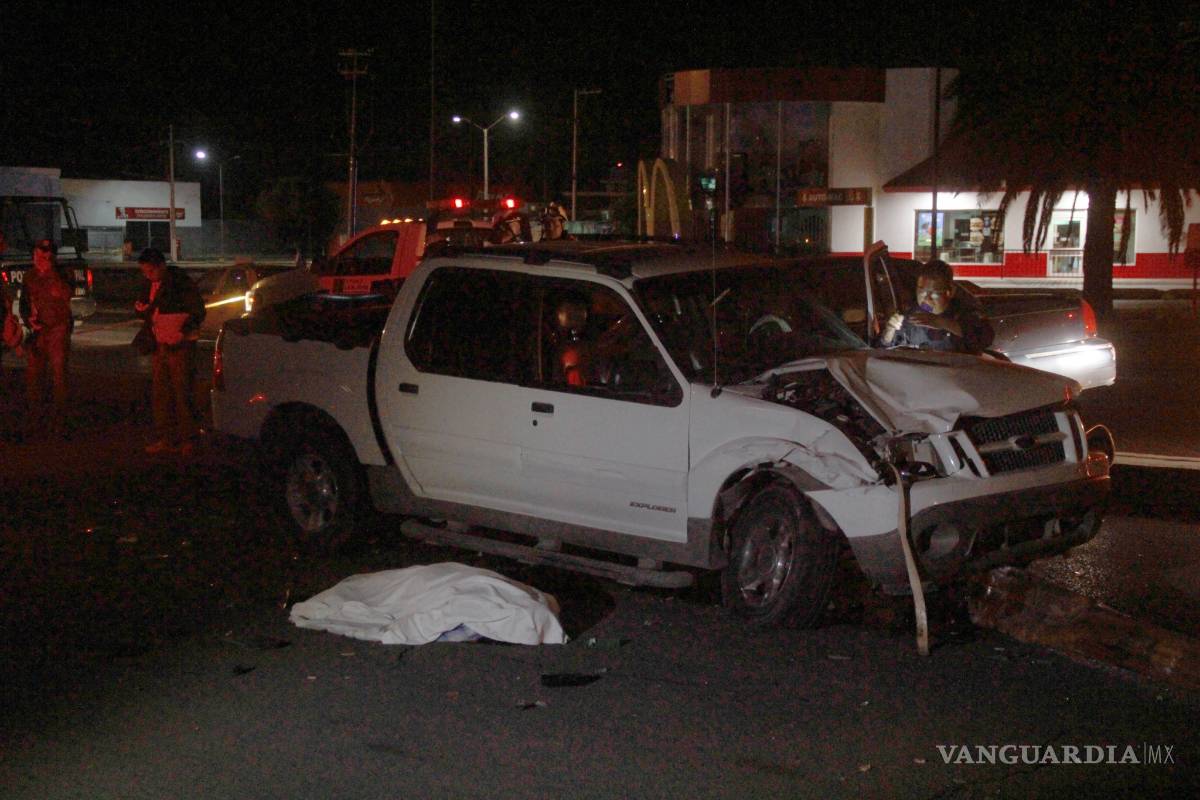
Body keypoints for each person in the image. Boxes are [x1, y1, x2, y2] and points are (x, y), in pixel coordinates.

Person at [134, 247, 206, 455]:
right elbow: (146, 311)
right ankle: (166, 438)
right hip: (160, 344)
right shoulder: (148, 284)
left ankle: (188, 440)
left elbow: (198, 311)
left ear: (162, 266)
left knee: (182, 392)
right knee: (161, 394)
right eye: (144, 272)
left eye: (151, 271)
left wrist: (182, 331)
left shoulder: (180, 282)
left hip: (180, 346)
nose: (147, 276)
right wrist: (140, 309)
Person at [19, 238, 74, 436]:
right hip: (38, 330)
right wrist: (28, 320)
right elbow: (25, 302)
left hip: (58, 329)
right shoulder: (30, 276)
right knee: (34, 375)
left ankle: (60, 420)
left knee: (59, 375)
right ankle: (36, 418)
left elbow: (65, 294)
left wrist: (50, 273)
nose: (44, 256)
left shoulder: (62, 273)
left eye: (48, 253)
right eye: (41, 253)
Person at [880, 259, 994, 354]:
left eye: (934, 293)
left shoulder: (965, 313)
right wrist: (890, 330)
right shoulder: (911, 315)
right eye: (922, 292)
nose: (926, 299)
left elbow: (985, 339)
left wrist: (944, 323)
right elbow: (887, 349)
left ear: (950, 292)